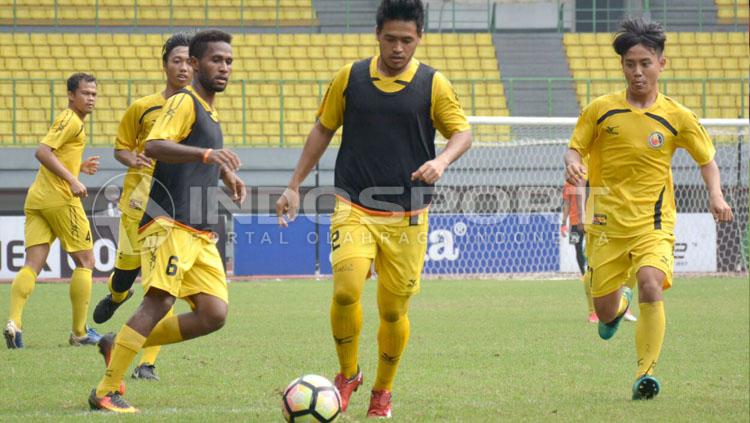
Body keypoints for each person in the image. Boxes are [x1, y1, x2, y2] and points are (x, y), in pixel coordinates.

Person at [276, 0, 472, 417]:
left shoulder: (434, 85)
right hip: (354, 203)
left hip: (408, 213)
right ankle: (348, 375)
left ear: (419, 38)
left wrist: (441, 161)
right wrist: (293, 185)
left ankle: (382, 390)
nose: (398, 48)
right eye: (390, 39)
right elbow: (323, 129)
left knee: (392, 310)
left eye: (407, 40)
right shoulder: (350, 78)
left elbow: (462, 134)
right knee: (346, 289)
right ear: (377, 35)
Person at [564, 17, 734, 400]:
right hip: (605, 224)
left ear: (661, 64)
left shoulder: (678, 116)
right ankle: (616, 307)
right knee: (606, 312)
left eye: (645, 63)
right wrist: (573, 162)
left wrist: (716, 195)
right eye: (630, 64)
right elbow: (575, 147)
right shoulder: (600, 110)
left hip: (653, 223)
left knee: (650, 283)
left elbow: (707, 160)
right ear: (622, 66)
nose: (637, 72)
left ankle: (646, 373)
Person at [88, 29, 246, 413]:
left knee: (213, 314)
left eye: (228, 60)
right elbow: (154, 146)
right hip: (169, 221)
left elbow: (196, 158)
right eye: (215, 60)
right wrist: (208, 155)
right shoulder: (184, 101)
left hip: (200, 231)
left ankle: (120, 342)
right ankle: (106, 391)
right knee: (158, 301)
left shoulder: (209, 110)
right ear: (194, 64)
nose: (223, 67)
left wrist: (223, 172)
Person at [91, 33, 193, 381]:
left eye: (188, 61)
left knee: (163, 288)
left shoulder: (199, 110)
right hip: (138, 202)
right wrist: (131, 159)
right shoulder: (142, 107)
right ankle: (118, 294)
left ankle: (146, 363)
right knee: (125, 273)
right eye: (177, 60)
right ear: (165, 64)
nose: (183, 67)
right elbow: (120, 148)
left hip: (173, 209)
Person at [4, 73, 102, 349]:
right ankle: (80, 332)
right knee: (85, 262)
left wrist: (78, 168)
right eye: (85, 93)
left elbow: (56, 155)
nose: (91, 98)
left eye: (94, 94)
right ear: (71, 95)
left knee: (32, 264)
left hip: (37, 199)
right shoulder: (70, 119)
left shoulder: (72, 122)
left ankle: (14, 323)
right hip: (60, 200)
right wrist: (72, 180)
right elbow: (43, 152)